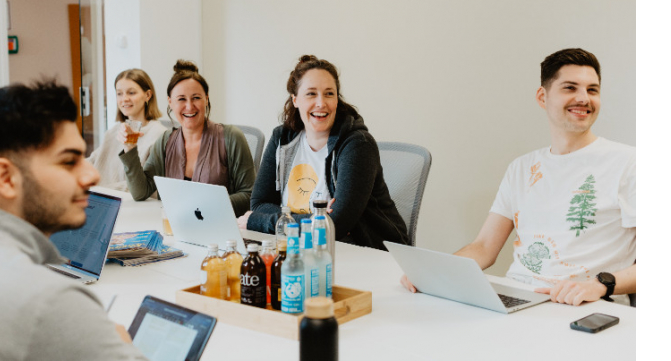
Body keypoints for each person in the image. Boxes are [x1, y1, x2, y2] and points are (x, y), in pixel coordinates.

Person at [401, 48, 636, 306]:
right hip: (516, 298)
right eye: (570, 88)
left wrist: (600, 285)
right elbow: (484, 248)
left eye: (592, 90)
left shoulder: (629, 163)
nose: (584, 98)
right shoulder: (522, 168)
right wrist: (434, 272)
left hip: (583, 306)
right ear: (542, 97)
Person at [0, 81, 146, 360]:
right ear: (5, 178)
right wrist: (122, 346)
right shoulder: (51, 301)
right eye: (68, 162)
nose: (92, 176)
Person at [238, 55, 409, 250]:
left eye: (329, 94)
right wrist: (318, 218)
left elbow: (334, 226)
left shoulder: (358, 145)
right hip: (301, 247)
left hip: (368, 252)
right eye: (311, 94)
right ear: (295, 99)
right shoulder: (282, 138)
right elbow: (259, 204)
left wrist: (259, 221)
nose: (321, 103)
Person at [120, 60, 256, 215]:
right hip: (175, 230)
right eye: (181, 99)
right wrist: (129, 147)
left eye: (196, 98)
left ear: (206, 98)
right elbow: (140, 192)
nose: (190, 106)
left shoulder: (231, 138)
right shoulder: (165, 141)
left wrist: (205, 205)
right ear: (170, 102)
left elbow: (249, 195)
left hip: (220, 229)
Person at [88, 68, 166, 190]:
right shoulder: (113, 132)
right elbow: (92, 161)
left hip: (128, 204)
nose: (124, 99)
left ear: (147, 95)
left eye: (131, 93)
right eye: (119, 93)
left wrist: (101, 189)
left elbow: (147, 186)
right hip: (99, 198)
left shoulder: (159, 134)